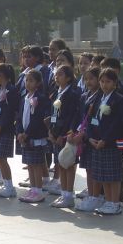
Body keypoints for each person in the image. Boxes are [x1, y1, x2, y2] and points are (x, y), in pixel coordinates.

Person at [88, 68, 123, 215]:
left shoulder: (119, 99)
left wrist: (106, 139)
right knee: (103, 173)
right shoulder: (98, 98)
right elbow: (91, 118)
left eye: (108, 82)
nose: (104, 85)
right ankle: (107, 200)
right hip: (97, 140)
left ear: (115, 83)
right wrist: (91, 137)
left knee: (114, 174)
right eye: (102, 81)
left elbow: (117, 123)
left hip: (111, 142)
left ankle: (115, 202)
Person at [48, 65, 82, 208]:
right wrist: (51, 131)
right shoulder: (57, 92)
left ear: (68, 78)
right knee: (60, 163)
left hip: (66, 134)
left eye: (60, 75)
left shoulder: (72, 94)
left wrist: (66, 133)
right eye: (56, 74)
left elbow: (72, 116)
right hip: (56, 133)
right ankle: (63, 193)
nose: (57, 77)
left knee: (68, 163)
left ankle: (69, 194)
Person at [16, 70, 51, 203]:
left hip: (35, 136)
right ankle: (33, 188)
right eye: (26, 80)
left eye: (31, 80)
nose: (27, 82)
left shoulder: (40, 98)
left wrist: (27, 133)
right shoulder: (24, 97)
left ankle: (39, 191)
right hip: (24, 136)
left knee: (36, 164)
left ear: (38, 83)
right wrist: (19, 132)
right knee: (29, 164)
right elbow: (19, 117)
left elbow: (37, 119)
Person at [0, 63, 20, 198]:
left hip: (5, 129)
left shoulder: (11, 90)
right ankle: (7, 185)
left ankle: (10, 186)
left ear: (1, 75)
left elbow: (8, 112)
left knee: (2, 158)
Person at [75, 67, 104, 211]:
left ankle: (96, 196)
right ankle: (91, 194)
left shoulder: (101, 96)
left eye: (91, 78)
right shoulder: (84, 96)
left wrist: (89, 134)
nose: (88, 82)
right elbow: (82, 117)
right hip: (85, 136)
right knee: (88, 168)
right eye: (86, 79)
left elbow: (96, 119)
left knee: (95, 169)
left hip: (94, 136)